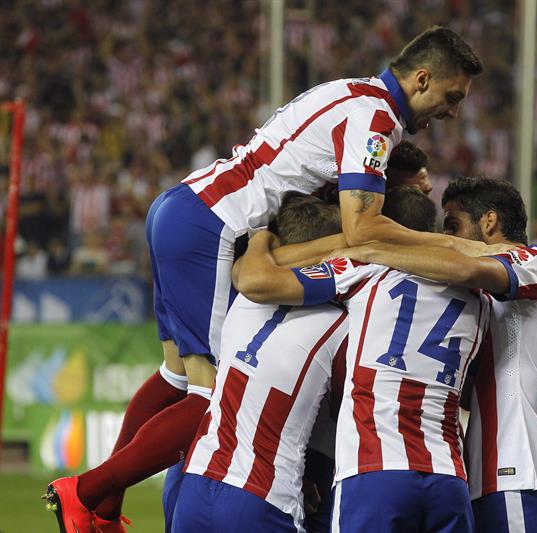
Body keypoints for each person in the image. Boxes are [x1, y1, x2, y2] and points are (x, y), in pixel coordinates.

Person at [45, 26, 484, 533]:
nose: (452, 112)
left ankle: (99, 508)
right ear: (422, 78)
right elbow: (362, 228)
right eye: (452, 97)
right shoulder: (377, 118)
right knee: (213, 398)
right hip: (218, 226)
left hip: (183, 206)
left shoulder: (349, 91)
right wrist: (455, 247)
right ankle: (85, 490)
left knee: (174, 377)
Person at [233, 187, 491, 532]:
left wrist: (262, 237)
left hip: (376, 471)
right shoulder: (481, 295)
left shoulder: (365, 270)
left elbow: (256, 281)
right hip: (448, 475)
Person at [335, 176, 537, 532]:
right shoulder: (500, 298)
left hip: (517, 473)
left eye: (453, 226)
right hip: (501, 477)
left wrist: (371, 250)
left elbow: (465, 266)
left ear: (489, 222)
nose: (447, 240)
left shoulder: (533, 261)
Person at [171, 193, 348, 532]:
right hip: (264, 497)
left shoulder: (240, 297)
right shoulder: (341, 327)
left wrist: (262, 238)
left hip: (195, 485)